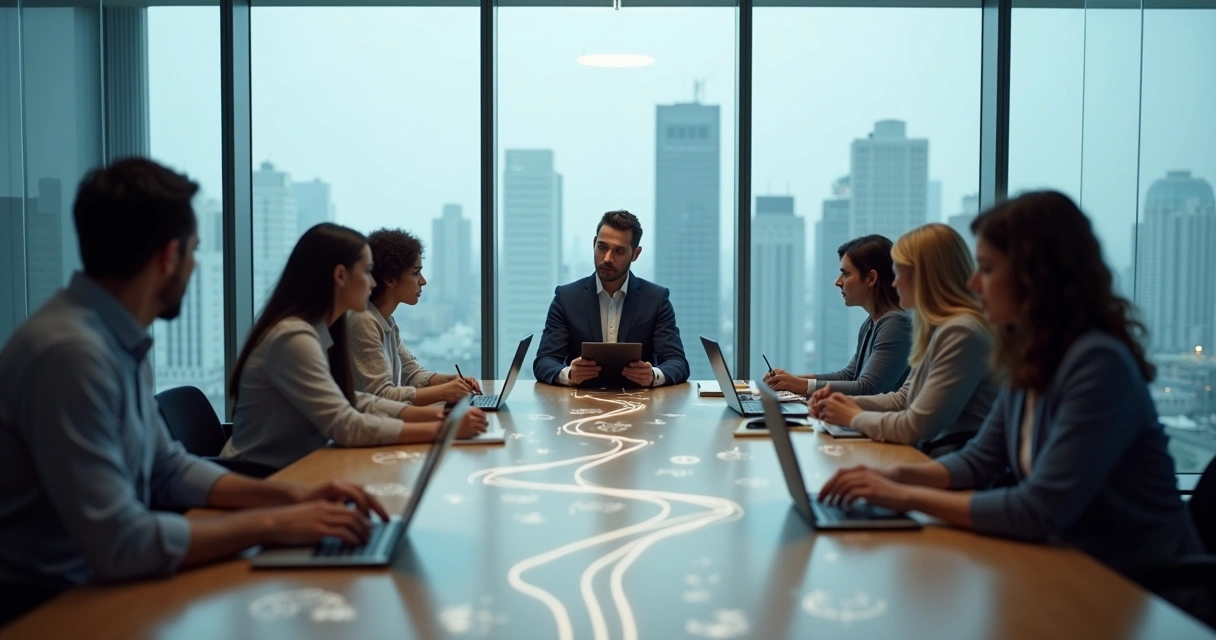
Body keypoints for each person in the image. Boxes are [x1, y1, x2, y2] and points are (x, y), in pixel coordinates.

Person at [0, 159, 389, 626]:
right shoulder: (71, 354)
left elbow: (167, 468)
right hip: (54, 606)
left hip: (100, 583)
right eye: (194, 252)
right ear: (169, 256)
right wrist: (275, 525)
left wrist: (290, 498)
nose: (194, 266)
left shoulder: (115, 338)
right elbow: (120, 544)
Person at [818, 191, 1209, 621]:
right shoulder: (1033, 354)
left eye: (986, 269)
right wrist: (887, 475)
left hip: (1136, 594)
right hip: (1067, 568)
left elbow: (1037, 509)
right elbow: (980, 461)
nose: (973, 283)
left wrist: (903, 493)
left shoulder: (1097, 364)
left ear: (1035, 275)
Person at [221, 223, 487, 472]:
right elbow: (347, 425)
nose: (373, 283)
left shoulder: (315, 330)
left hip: (297, 468)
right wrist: (444, 429)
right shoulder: (293, 338)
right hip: (259, 475)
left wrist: (438, 419)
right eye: (367, 272)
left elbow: (355, 400)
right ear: (340, 275)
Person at [810, 223, 998, 456]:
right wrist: (839, 402)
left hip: (944, 461)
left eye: (899, 273)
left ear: (925, 277)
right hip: (934, 457)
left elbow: (915, 426)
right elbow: (903, 399)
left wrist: (853, 415)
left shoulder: (961, 331)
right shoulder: (938, 328)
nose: (894, 283)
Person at [533, 210, 690, 388]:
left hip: (641, 407)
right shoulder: (566, 298)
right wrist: (569, 374)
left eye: (619, 251)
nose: (607, 258)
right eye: (602, 247)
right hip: (579, 407)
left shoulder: (656, 299)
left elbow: (678, 362)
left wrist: (653, 375)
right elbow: (544, 361)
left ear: (635, 254)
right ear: (594, 244)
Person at [765, 234, 911, 397]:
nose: (838, 281)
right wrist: (788, 380)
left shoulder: (896, 324)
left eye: (846, 273)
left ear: (871, 278)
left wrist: (800, 385)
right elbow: (848, 376)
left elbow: (867, 388)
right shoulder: (872, 322)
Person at [348, 228, 480, 404]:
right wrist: (444, 392)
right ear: (390, 279)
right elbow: (381, 396)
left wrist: (450, 381)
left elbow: (411, 373)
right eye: (415, 272)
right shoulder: (363, 322)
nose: (423, 281)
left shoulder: (386, 321)